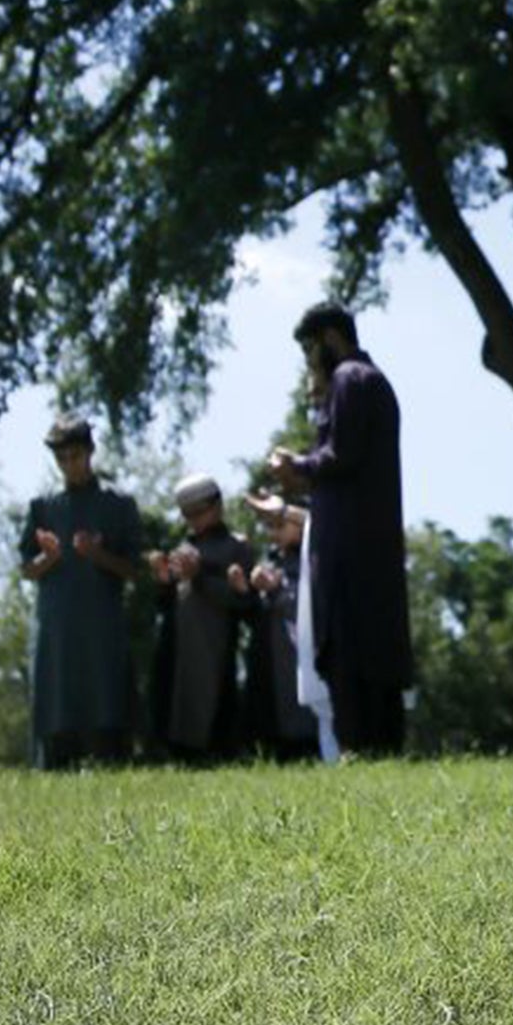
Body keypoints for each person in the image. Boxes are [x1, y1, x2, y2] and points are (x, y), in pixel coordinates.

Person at [268, 301, 414, 755]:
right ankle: (375, 750)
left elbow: (341, 454)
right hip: (366, 544)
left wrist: (296, 465)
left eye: (311, 349)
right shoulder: (370, 382)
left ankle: (361, 749)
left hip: (349, 550)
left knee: (349, 648)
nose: (310, 362)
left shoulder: (351, 379)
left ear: (331, 338)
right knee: (369, 648)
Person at [19, 414, 141, 770]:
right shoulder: (42, 507)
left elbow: (134, 569)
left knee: (106, 701)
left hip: (103, 626)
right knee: (56, 703)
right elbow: (27, 569)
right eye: (62, 459)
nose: (70, 465)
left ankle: (112, 760)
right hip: (56, 627)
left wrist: (98, 555)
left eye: (75, 456)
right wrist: (51, 556)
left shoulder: (118, 505)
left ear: (90, 452)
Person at [148, 473, 260, 763]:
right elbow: (167, 602)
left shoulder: (237, 546)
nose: (194, 520)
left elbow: (243, 601)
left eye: (200, 512)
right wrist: (163, 580)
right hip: (180, 642)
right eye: (188, 514)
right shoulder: (183, 547)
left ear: (217, 505)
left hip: (217, 642)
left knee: (215, 702)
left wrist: (199, 577)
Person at [234, 498, 327, 762]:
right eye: (268, 526)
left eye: (279, 525)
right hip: (271, 666)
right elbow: (259, 613)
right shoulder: (273, 561)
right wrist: (246, 592)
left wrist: (276, 589)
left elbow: (307, 606)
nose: (272, 533)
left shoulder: (313, 561)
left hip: (301, 663)